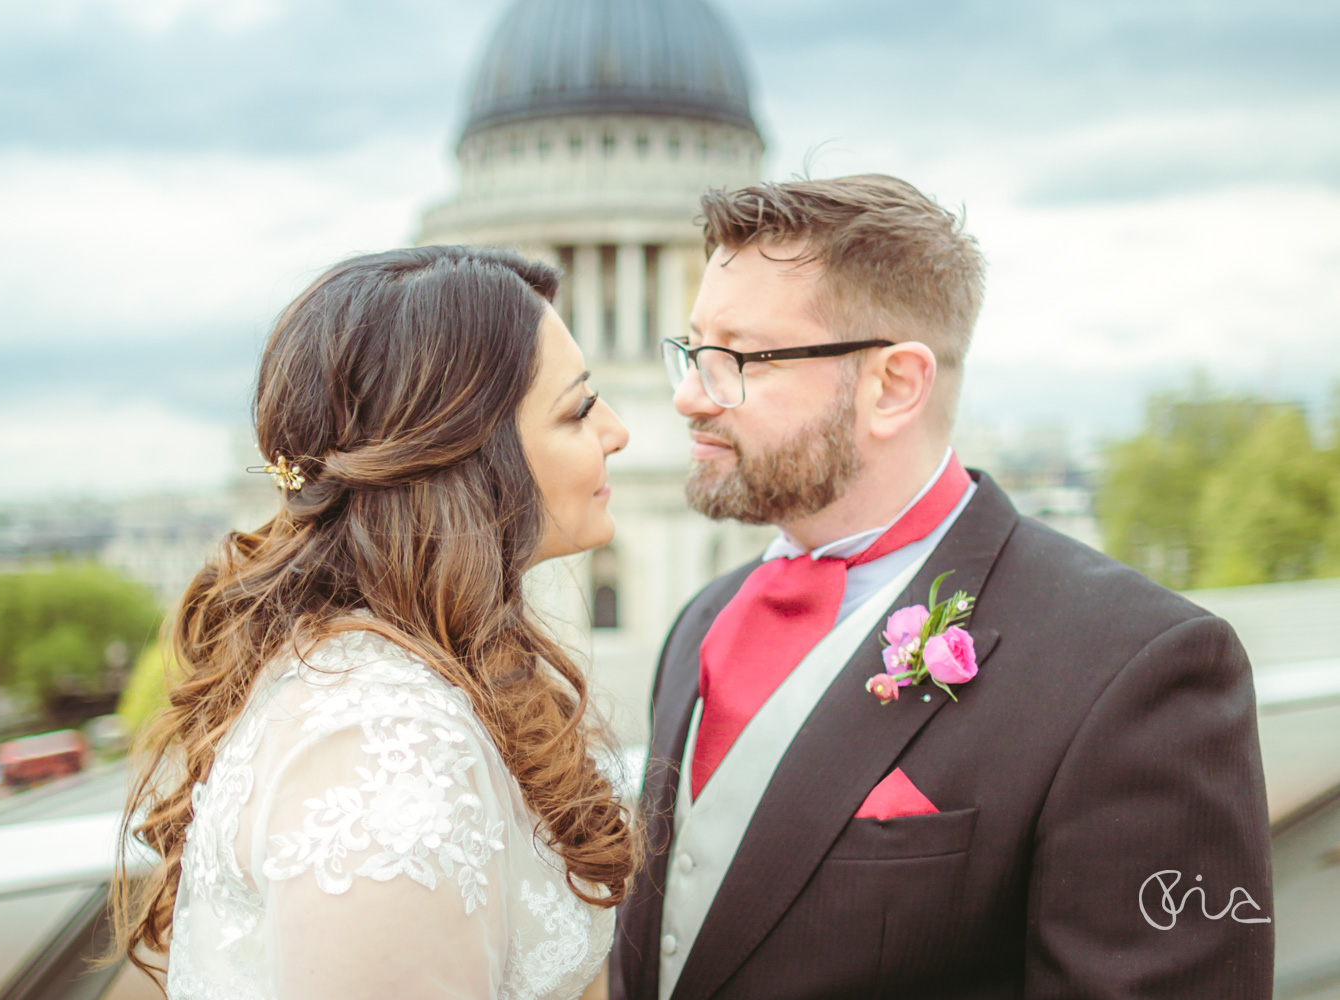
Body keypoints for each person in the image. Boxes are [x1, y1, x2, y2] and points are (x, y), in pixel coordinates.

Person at [610, 176, 1274, 1000]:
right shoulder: (702, 623)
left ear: (893, 386)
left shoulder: (1138, 668)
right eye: (693, 350)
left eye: (736, 360)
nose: (687, 397)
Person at [114, 245, 634, 999]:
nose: (618, 431)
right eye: (580, 408)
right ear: (461, 455)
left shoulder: (410, 672)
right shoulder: (387, 746)